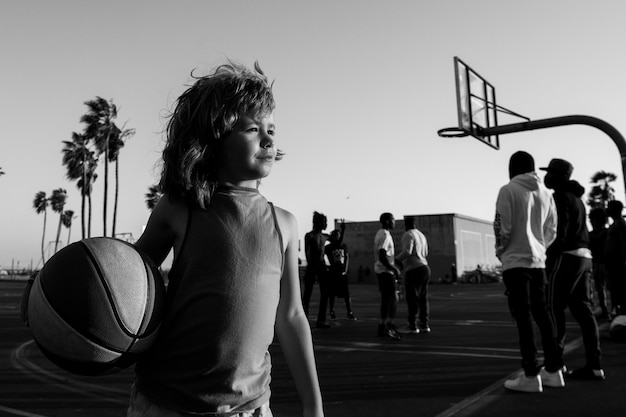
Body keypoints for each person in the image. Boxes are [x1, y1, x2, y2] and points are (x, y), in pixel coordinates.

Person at [127, 62, 324, 417]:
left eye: (271, 129)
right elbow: (123, 277)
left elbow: (292, 315)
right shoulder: (179, 208)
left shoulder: (285, 225)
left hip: (249, 407)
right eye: (252, 128)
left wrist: (313, 404)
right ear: (212, 139)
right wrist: (54, 291)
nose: (268, 139)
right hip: (164, 403)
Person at [494, 151, 563, 393]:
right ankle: (554, 370)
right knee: (543, 315)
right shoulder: (545, 193)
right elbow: (552, 229)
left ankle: (531, 374)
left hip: (516, 261)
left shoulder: (508, 190)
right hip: (538, 262)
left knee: (523, 318)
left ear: (513, 167)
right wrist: (540, 247)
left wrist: (501, 250)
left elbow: (502, 226)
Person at [542, 158, 604, 381]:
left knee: (553, 309)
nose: (546, 177)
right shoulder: (578, 199)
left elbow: (561, 233)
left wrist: (548, 255)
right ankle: (594, 365)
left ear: (557, 176)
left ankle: (555, 365)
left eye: (549, 173)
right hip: (584, 257)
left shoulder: (559, 197)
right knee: (584, 312)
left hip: (566, 257)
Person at [395, 216, 431, 334]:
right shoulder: (421, 235)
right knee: (423, 298)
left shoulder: (408, 235)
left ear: (406, 224)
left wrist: (396, 260)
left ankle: (412, 325)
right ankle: (424, 324)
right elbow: (425, 252)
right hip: (424, 267)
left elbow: (407, 251)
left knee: (412, 298)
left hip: (413, 268)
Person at [374, 212, 402, 340]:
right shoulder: (385, 235)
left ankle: (383, 325)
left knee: (387, 300)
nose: (394, 222)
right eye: (392, 220)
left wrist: (395, 262)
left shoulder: (382, 234)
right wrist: (393, 268)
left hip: (383, 271)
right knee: (392, 299)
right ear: (386, 221)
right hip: (385, 272)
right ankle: (389, 325)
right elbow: (382, 255)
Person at [302, 211, 332, 328]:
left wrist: (342, 230)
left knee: (325, 293)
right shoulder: (309, 236)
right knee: (307, 294)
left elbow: (337, 241)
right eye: (324, 222)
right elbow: (307, 252)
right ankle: (303, 318)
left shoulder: (325, 236)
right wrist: (312, 266)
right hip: (312, 266)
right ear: (318, 223)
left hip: (322, 266)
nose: (326, 224)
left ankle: (321, 319)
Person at [324, 222, 356, 320]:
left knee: (346, 294)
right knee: (332, 294)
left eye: (338, 235)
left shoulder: (343, 245)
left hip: (342, 272)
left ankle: (349, 311)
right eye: (335, 235)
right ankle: (332, 311)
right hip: (333, 272)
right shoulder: (329, 247)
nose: (337, 237)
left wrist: (345, 270)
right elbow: (323, 256)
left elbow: (346, 257)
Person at [605, 200, 626, 316]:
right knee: (615, 293)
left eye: (609, 207)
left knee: (620, 294)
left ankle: (621, 317)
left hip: (618, 266)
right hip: (613, 265)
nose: (607, 209)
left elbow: (623, 244)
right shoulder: (616, 224)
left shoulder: (620, 224)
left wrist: (622, 264)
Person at [588, 207, 610, 319]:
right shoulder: (606, 232)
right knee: (601, 288)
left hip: (601, 263)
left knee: (602, 288)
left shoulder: (603, 233)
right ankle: (606, 309)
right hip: (600, 263)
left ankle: (606, 309)